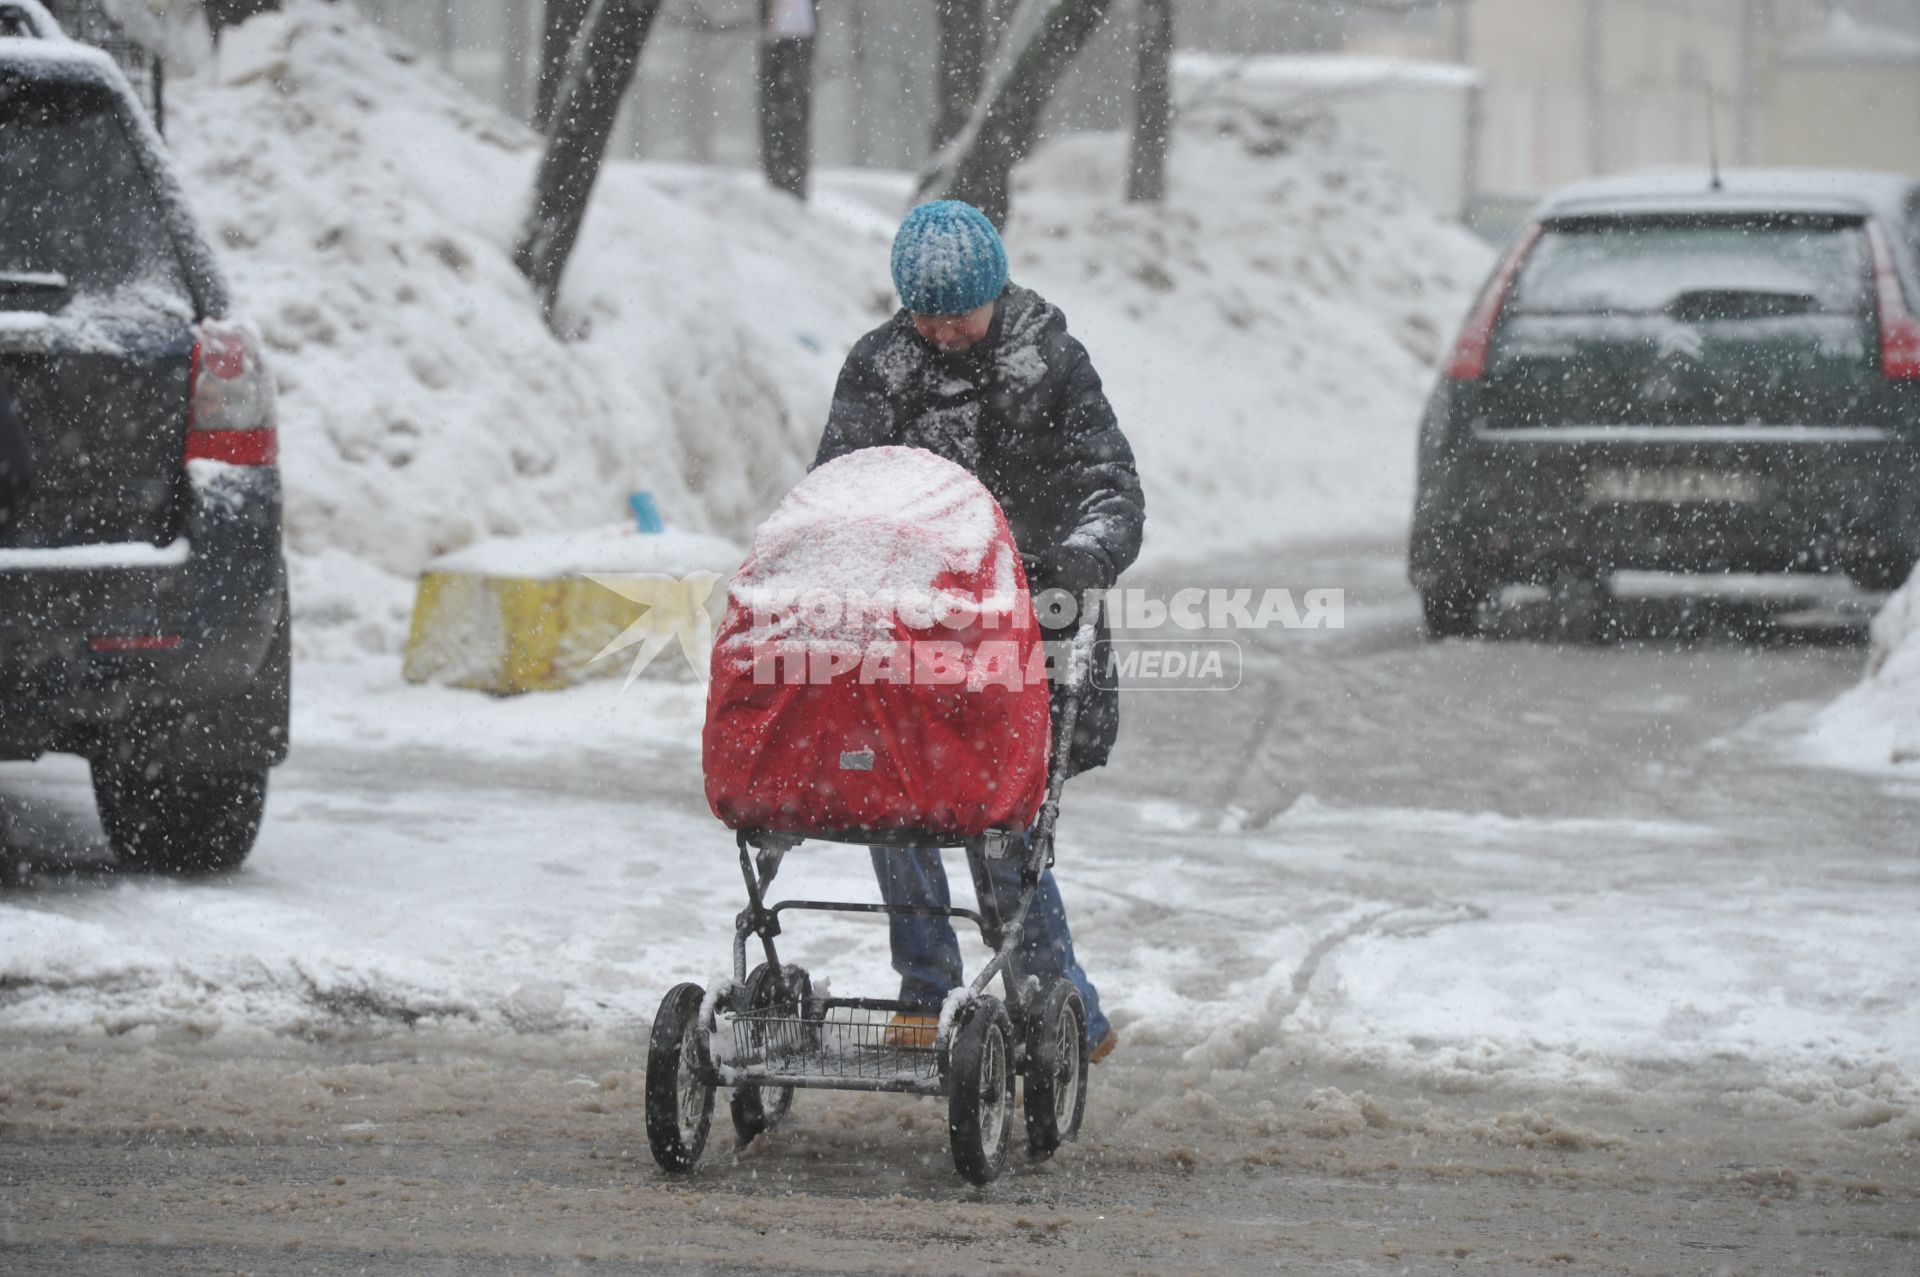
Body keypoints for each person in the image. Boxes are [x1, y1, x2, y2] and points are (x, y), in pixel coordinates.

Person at [812, 200, 1145, 1063]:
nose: (943, 331)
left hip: (1022, 633)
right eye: (925, 314)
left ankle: (1054, 1005)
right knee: (895, 811)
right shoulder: (879, 367)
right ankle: (926, 987)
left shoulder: (1052, 364)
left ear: (994, 291)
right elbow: (838, 492)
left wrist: (1075, 562)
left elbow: (1110, 486)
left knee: (1000, 825)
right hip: (907, 635)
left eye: (959, 313)